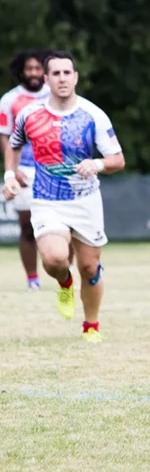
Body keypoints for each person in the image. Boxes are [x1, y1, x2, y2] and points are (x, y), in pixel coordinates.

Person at [2, 52, 125, 342]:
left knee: (90, 267)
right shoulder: (29, 114)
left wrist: (96, 164)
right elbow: (13, 145)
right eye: (55, 74)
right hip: (47, 200)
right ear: (46, 80)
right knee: (56, 258)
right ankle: (64, 281)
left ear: (75, 77)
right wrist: (10, 175)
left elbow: (118, 160)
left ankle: (91, 325)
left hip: (86, 201)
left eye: (67, 73)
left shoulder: (93, 114)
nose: (62, 79)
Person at [0, 49, 52, 290]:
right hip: (26, 169)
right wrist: (12, 169)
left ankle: (68, 272)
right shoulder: (9, 100)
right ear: (21, 71)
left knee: (66, 224)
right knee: (27, 227)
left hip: (54, 167)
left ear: (45, 71)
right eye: (28, 69)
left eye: (37, 68)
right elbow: (5, 137)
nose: (33, 73)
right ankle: (33, 280)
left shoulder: (56, 95)